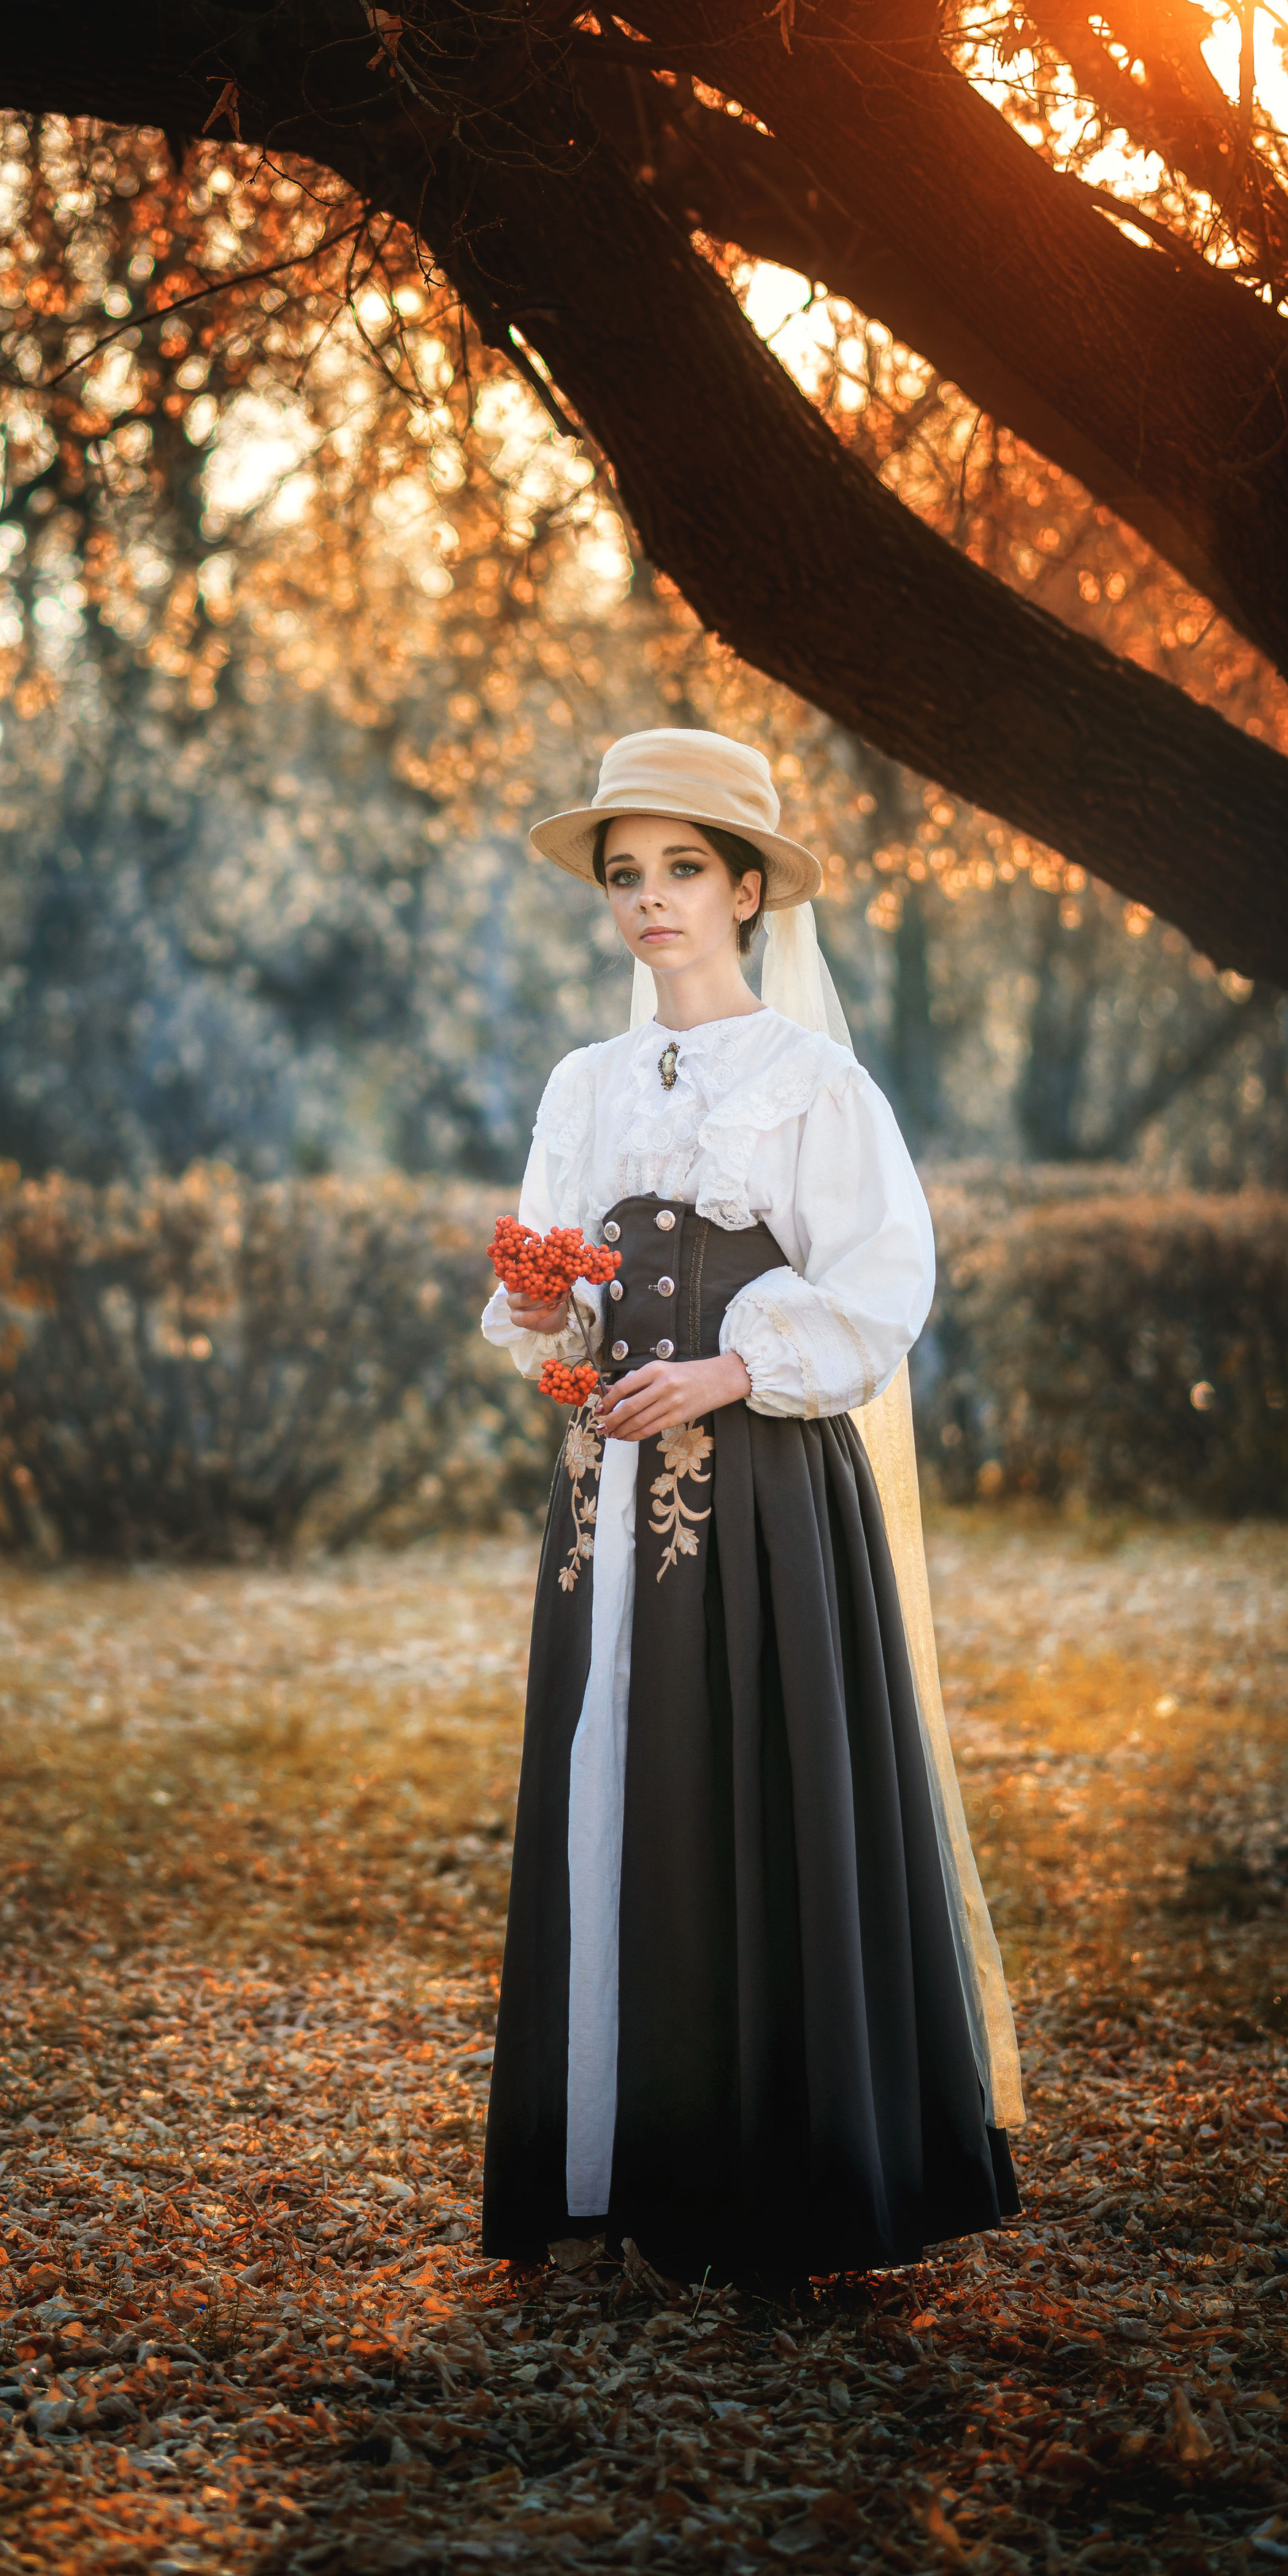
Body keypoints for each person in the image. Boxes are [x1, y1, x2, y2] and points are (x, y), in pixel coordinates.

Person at [480, 727, 1022, 2283]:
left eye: (680, 870)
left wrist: (726, 1372)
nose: (648, 900)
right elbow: (552, 1286)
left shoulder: (811, 1082)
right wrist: (550, 1310)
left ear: (745, 892)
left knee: (747, 1777)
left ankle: (767, 2177)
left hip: (764, 1495)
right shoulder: (584, 1084)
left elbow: (881, 1288)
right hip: (607, 1499)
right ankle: (618, 2161)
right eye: (624, 875)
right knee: (614, 1776)